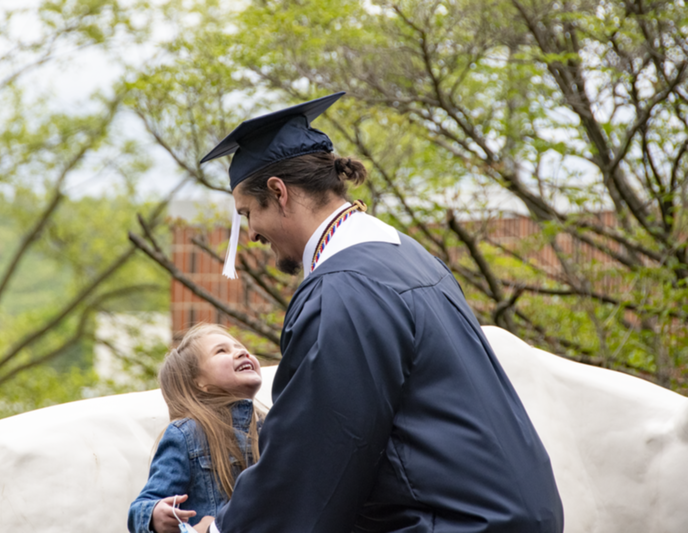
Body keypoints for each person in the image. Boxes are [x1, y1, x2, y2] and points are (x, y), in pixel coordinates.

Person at [195, 92, 564, 533]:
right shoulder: (406, 255)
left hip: (450, 523)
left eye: (248, 213)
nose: (251, 232)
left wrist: (226, 529)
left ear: (279, 192)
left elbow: (316, 451)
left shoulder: (344, 289)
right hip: (506, 514)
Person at [128, 324, 265, 533]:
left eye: (240, 346)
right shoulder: (187, 435)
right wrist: (155, 515)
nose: (242, 352)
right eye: (221, 351)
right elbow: (143, 506)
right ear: (199, 382)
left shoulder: (273, 425)